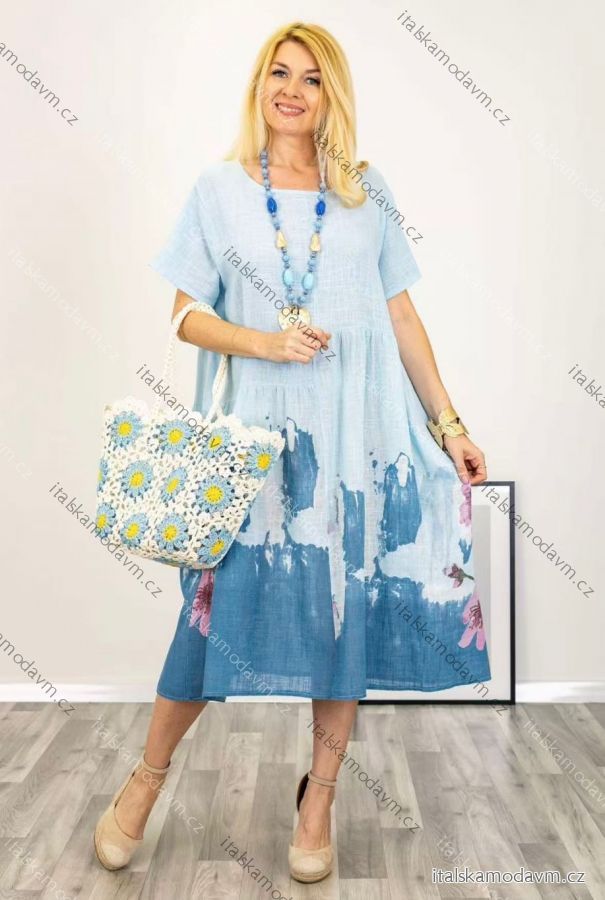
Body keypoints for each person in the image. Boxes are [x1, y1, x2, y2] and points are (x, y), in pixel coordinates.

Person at [94, 20, 490, 884]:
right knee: (207, 623)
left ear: (330, 96)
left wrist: (448, 424)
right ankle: (146, 778)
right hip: (254, 455)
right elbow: (184, 316)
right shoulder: (219, 189)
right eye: (279, 72)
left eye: (311, 78)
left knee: (340, 626)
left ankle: (319, 801)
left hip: (356, 451)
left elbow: (401, 313)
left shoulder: (364, 192)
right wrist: (265, 344)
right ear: (258, 85)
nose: (292, 90)